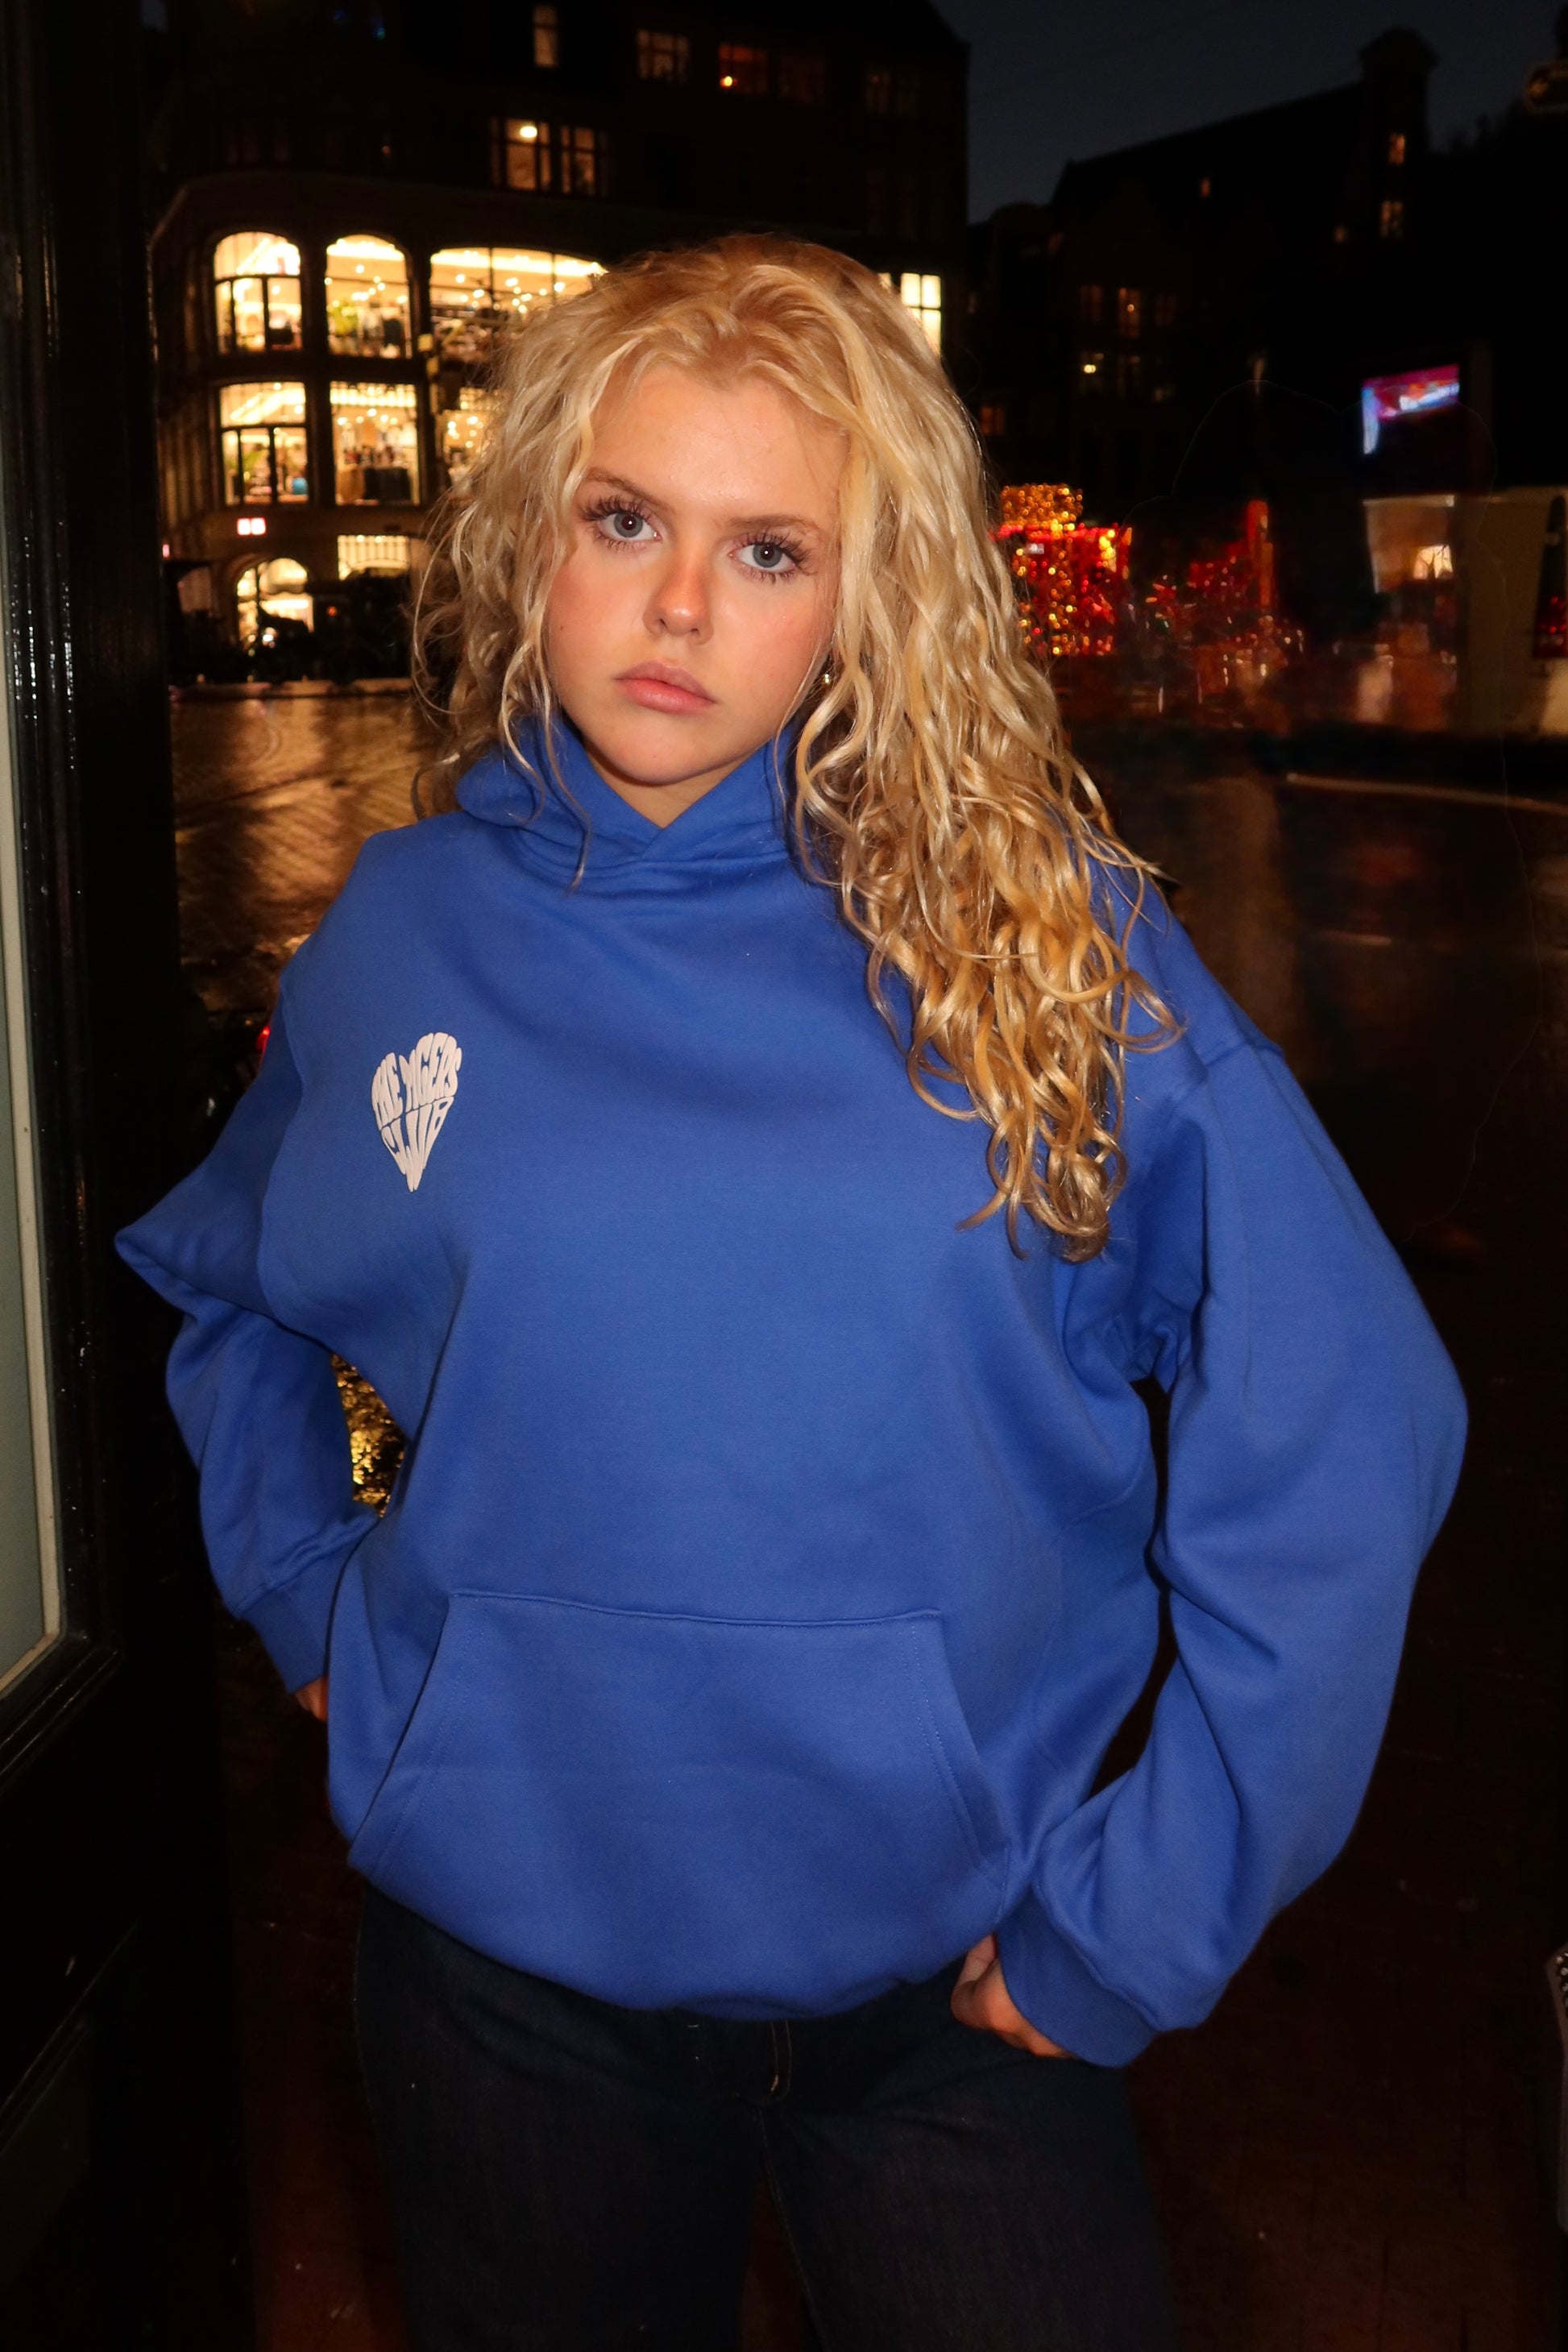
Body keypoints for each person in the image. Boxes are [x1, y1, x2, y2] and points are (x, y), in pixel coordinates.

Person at [118, 238, 1465, 2351]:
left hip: (958, 1988)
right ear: (531, 534)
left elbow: (1341, 1433)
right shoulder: (403, 931)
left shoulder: (1039, 946)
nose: (679, 605)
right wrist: (309, 1600)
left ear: (867, 596)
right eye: (623, 520)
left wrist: (1149, 1909)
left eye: (767, 550)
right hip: (504, 1986)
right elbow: (235, 1289)